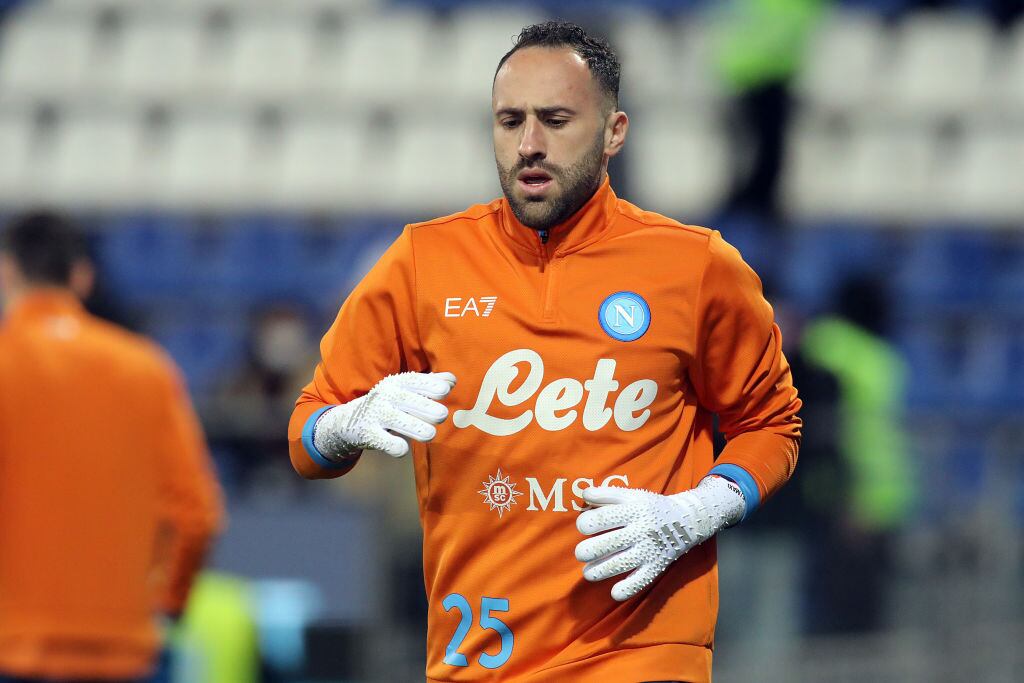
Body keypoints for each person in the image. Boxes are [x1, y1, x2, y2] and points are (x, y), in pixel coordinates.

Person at [289, 22, 801, 683]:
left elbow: (773, 422)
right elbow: (306, 436)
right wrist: (345, 424)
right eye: (510, 121)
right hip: (480, 657)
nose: (529, 144)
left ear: (614, 131)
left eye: (556, 120)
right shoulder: (422, 262)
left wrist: (698, 508)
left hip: (641, 653)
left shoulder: (695, 266)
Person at [0, 213, 224, 683]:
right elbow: (197, 513)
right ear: (82, 277)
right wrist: (168, 604)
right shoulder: (147, 370)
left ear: (7, 271)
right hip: (121, 650)